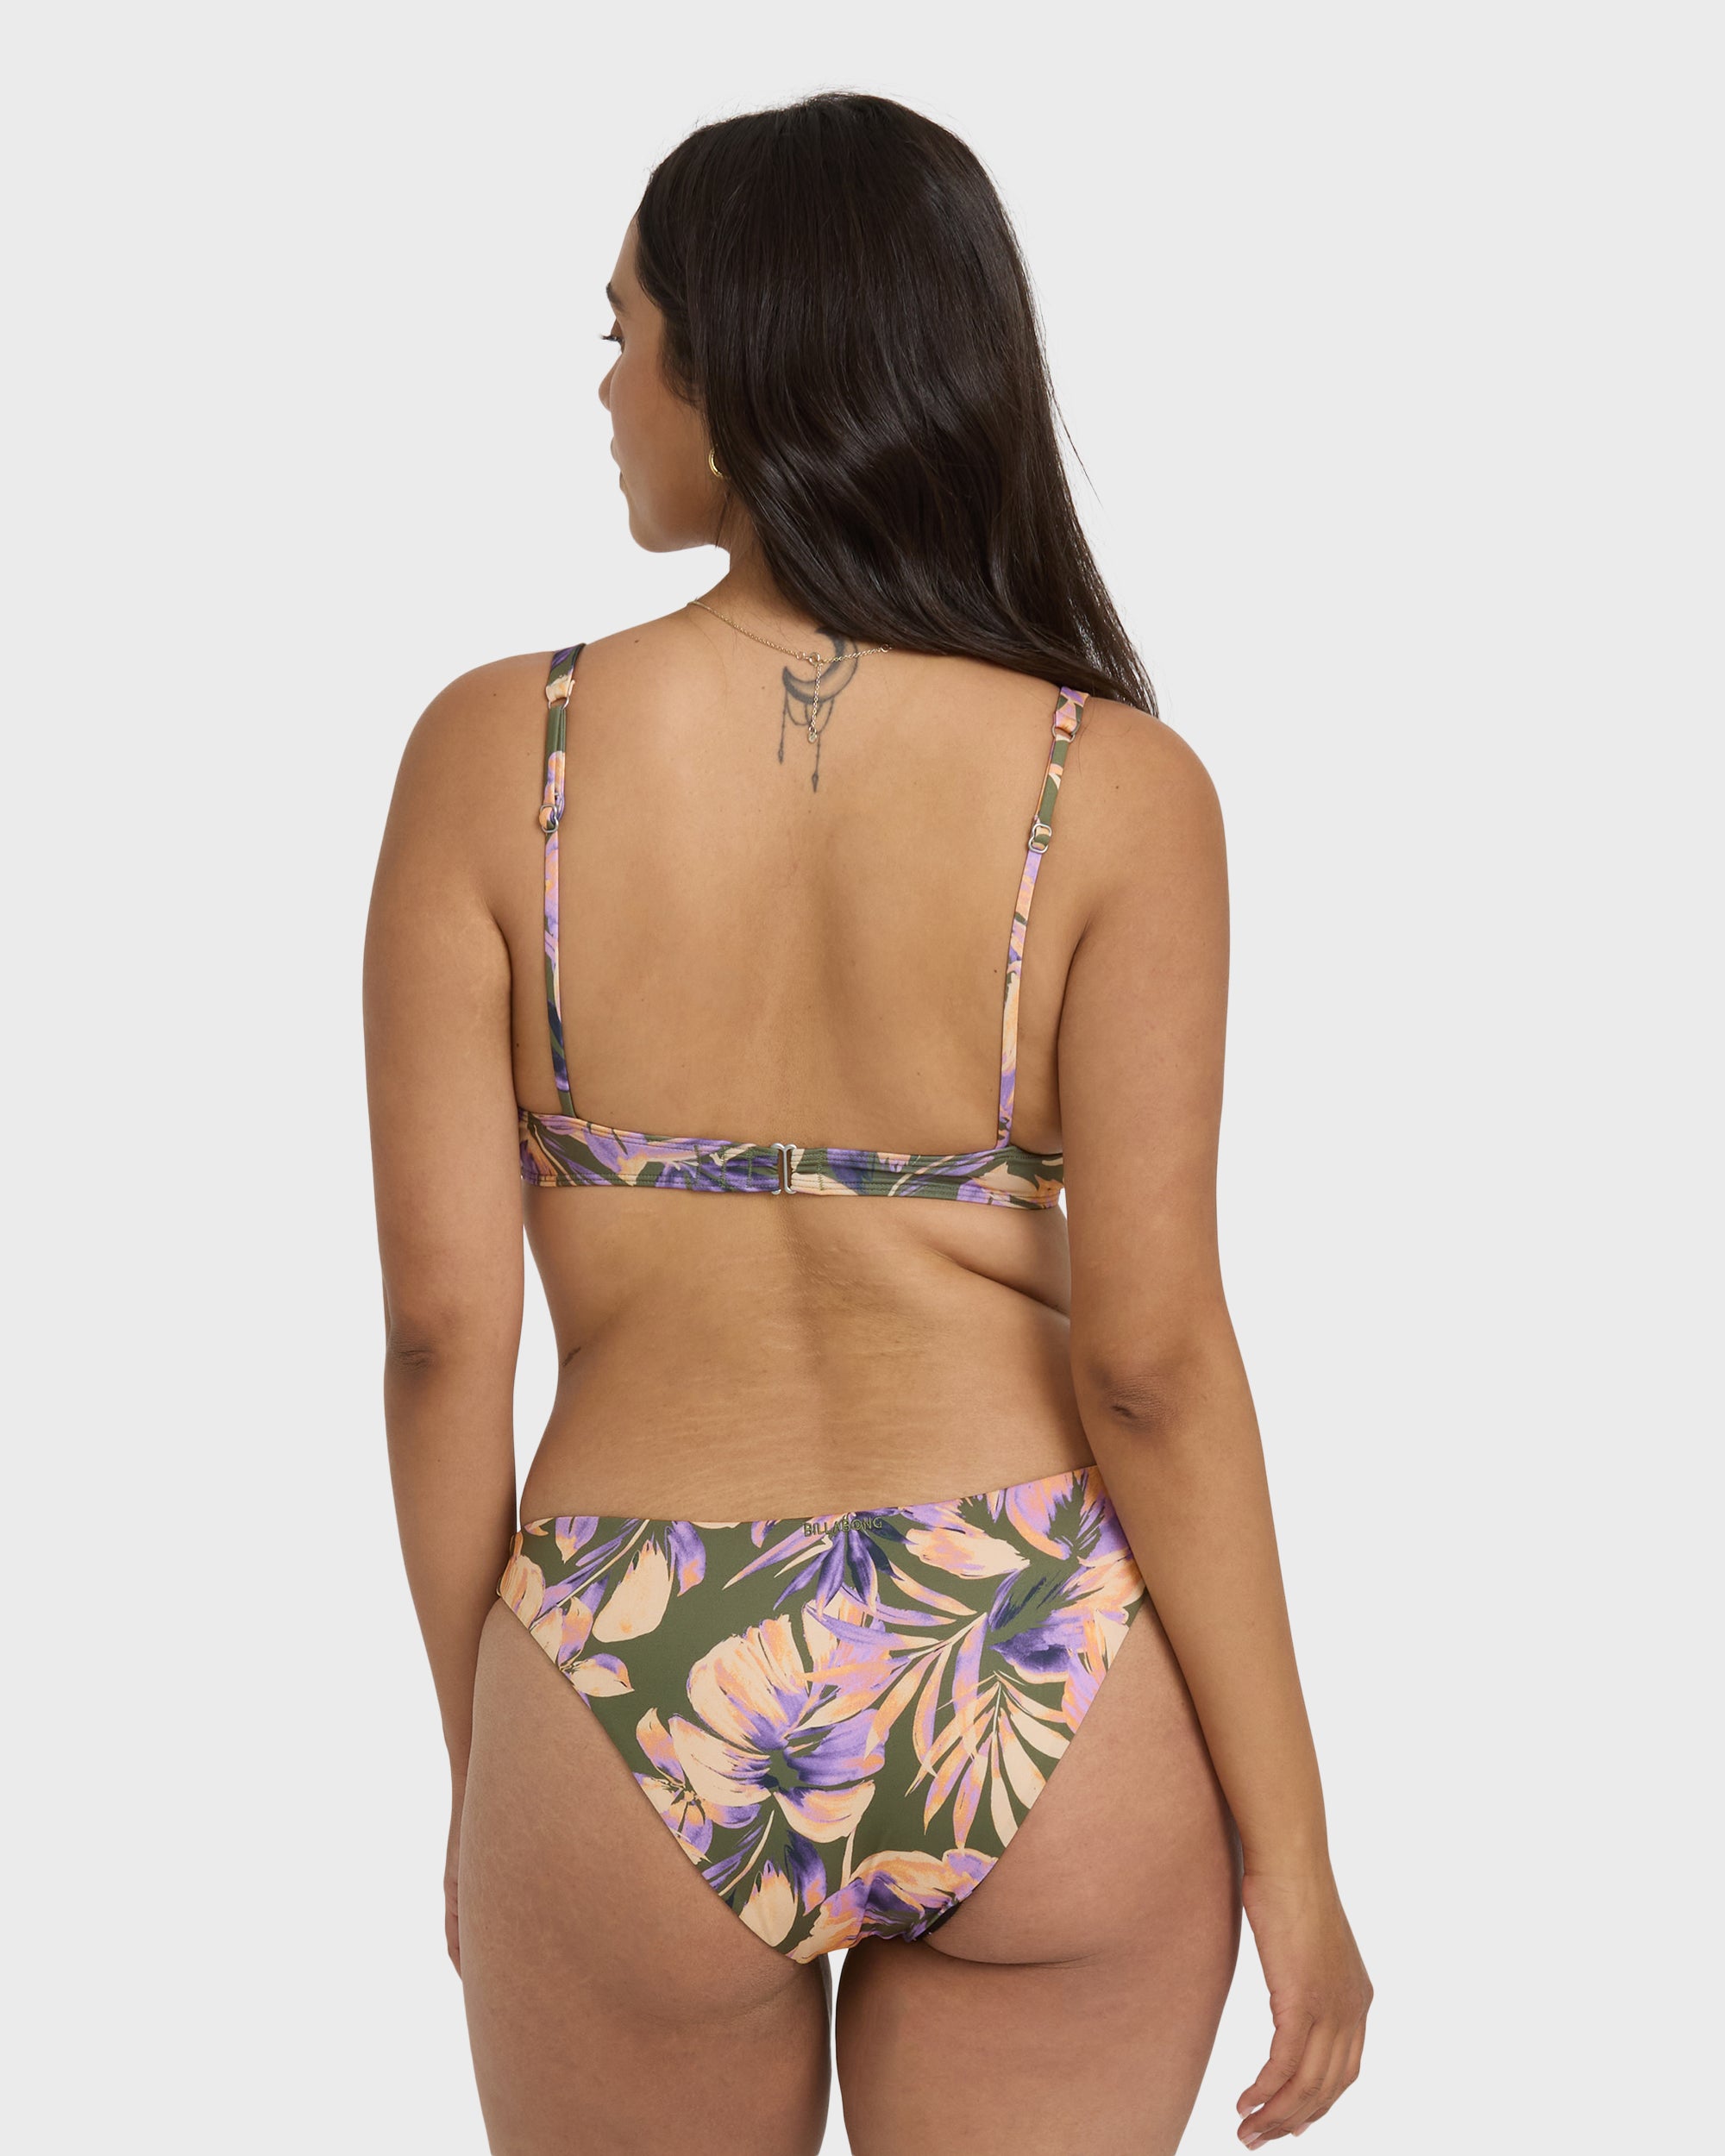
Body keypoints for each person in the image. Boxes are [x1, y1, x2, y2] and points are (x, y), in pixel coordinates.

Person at [364, 90, 1371, 2156]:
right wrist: (1297, 1854)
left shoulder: (491, 755)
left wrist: (502, 1760)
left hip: (633, 1640)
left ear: (738, 368)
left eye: (627, 331)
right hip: (1037, 1642)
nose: (605, 385)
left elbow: (443, 1336)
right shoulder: (1117, 789)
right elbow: (1156, 1362)